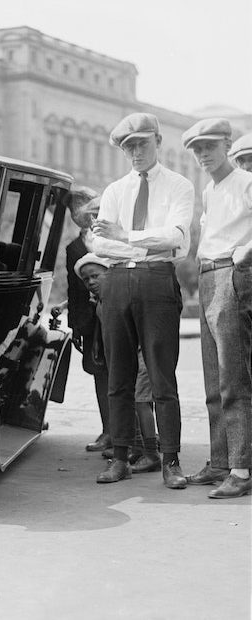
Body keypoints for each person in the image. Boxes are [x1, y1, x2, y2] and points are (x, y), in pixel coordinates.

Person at [92, 112, 194, 488]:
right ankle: (120, 458)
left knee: (162, 376)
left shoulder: (179, 186)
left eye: (141, 143)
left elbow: (175, 237)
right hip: (117, 281)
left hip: (157, 280)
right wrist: (134, 237)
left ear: (158, 141)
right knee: (119, 375)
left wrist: (126, 234)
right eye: (128, 146)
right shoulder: (115, 190)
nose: (135, 152)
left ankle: (170, 460)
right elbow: (99, 243)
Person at [182, 118, 252, 498]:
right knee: (213, 378)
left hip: (232, 273)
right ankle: (221, 461)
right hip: (209, 274)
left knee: (233, 377)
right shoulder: (210, 191)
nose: (203, 154)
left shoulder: (245, 181)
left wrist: (247, 251)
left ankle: (241, 470)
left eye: (209, 146)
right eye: (197, 149)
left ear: (227, 144)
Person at [74, 253, 161, 477]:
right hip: (128, 357)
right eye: (86, 280)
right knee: (129, 400)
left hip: (142, 355)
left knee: (142, 402)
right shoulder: (101, 302)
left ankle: (152, 453)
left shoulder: (121, 297)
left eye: (96, 276)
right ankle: (137, 446)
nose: (91, 282)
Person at [60, 186, 110, 452]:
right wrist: (76, 326)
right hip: (90, 323)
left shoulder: (111, 239)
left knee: (127, 373)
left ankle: (137, 434)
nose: (78, 212)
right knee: (99, 374)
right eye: (72, 207)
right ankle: (108, 430)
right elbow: (73, 288)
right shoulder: (73, 248)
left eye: (82, 204)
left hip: (115, 315)